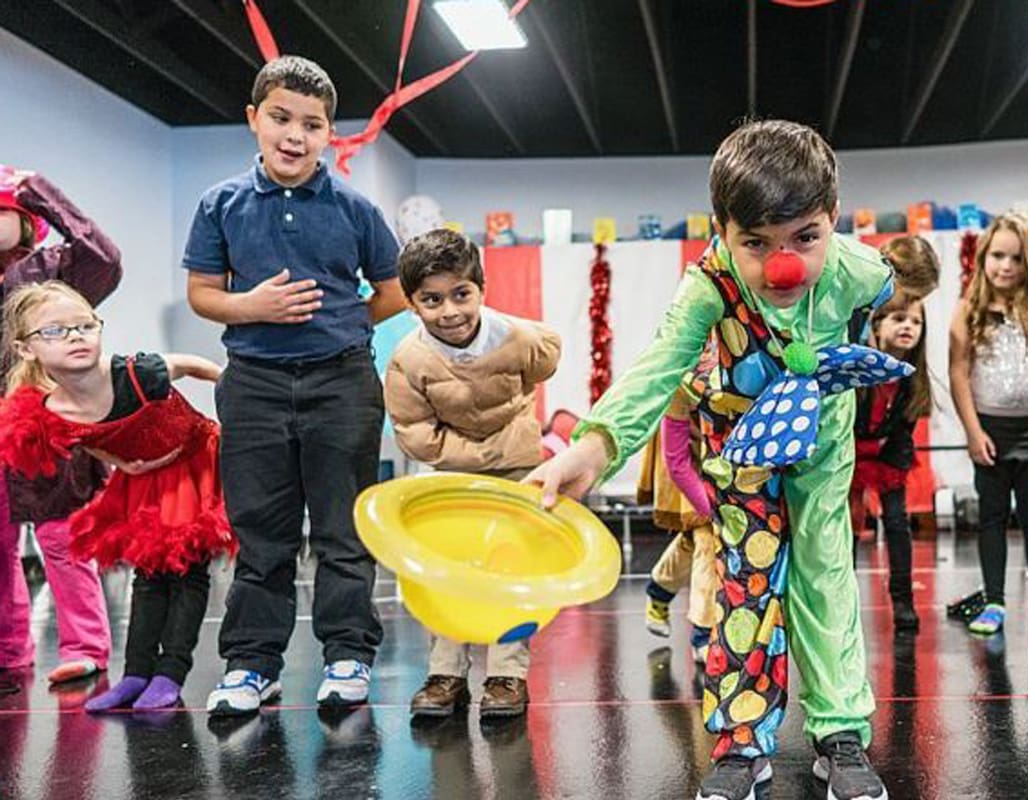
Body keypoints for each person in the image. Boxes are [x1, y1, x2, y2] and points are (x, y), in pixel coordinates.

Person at [525, 120, 894, 800]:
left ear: (833, 218)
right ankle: (741, 742)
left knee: (824, 572)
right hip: (741, 447)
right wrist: (595, 446)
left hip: (820, 444)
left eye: (804, 238)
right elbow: (660, 364)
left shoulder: (861, 272)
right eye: (756, 243)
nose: (782, 266)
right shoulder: (709, 285)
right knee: (743, 586)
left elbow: (875, 306)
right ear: (721, 230)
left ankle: (840, 732)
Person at [182, 55, 406, 715]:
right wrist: (251, 307)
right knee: (261, 533)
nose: (295, 135)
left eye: (312, 125)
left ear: (329, 135)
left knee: (343, 529)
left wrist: (342, 323)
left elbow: (392, 291)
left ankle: (348, 655)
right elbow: (202, 292)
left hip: (342, 383)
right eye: (281, 118)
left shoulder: (356, 208)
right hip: (252, 382)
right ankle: (252, 665)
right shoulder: (220, 204)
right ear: (255, 119)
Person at [0, 281, 234, 711]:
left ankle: (171, 672)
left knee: (185, 572)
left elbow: (195, 365)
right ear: (25, 348)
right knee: (147, 576)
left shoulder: (138, 372)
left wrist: (238, 400)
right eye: (55, 331)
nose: (75, 337)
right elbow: (85, 437)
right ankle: (136, 673)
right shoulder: (53, 410)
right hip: (144, 477)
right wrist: (120, 461)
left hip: (192, 465)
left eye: (84, 326)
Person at [385, 228, 561, 719]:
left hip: (519, 470)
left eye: (461, 294)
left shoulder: (518, 338)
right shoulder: (408, 361)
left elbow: (547, 358)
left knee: (514, 564)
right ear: (412, 304)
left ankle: (507, 675)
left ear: (481, 289)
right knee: (448, 569)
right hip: (452, 477)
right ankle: (446, 673)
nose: (450, 311)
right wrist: (480, 454)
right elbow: (416, 433)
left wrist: (512, 444)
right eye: (432, 300)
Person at [0, 167, 120, 686]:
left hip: (47, 421)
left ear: (25, 220)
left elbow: (105, 259)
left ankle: (85, 646)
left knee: (62, 536)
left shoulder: (53, 269)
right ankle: (8, 651)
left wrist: (41, 192)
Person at [948, 212, 1028, 638]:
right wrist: (973, 431)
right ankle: (995, 603)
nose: (1005, 266)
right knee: (992, 516)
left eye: (1017, 258)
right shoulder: (969, 311)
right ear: (983, 257)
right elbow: (957, 373)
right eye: (998, 256)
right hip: (990, 430)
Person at [850, 291, 932, 632]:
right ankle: (843, 601)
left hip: (887, 453)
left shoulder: (912, 377)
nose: (908, 327)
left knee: (897, 521)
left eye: (916, 322)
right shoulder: (861, 368)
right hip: (851, 451)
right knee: (849, 525)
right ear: (877, 326)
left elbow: (904, 431)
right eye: (899, 319)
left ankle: (902, 598)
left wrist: (891, 456)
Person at [641, 350, 720, 664]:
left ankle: (658, 592)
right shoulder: (680, 381)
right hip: (688, 465)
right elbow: (677, 462)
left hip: (717, 462)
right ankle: (703, 632)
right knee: (707, 539)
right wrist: (710, 508)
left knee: (693, 538)